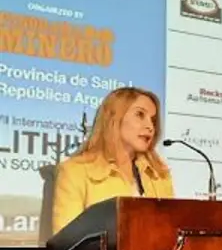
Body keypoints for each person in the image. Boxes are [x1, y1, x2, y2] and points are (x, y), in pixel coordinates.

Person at [52, 87, 174, 234]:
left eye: (153, 120)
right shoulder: (75, 171)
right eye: (140, 115)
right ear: (114, 119)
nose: (150, 127)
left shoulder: (159, 175)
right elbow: (66, 241)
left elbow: (171, 232)